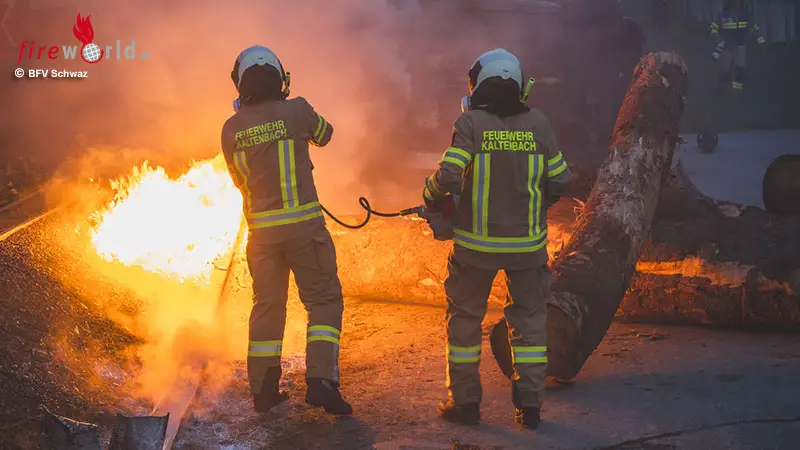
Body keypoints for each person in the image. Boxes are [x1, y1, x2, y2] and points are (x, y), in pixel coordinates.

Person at [422, 49, 572, 429]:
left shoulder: (470, 123)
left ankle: (466, 403)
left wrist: (430, 193)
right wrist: (538, 203)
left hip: (475, 249)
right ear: (520, 87)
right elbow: (561, 180)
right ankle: (530, 406)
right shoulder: (539, 124)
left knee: (465, 321)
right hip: (527, 248)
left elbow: (449, 175)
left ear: (477, 87)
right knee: (530, 323)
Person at [220, 45, 352, 416]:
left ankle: (263, 390)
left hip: (262, 238)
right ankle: (321, 381)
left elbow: (238, 179)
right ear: (281, 79)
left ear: (240, 84)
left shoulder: (231, 129)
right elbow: (325, 134)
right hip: (304, 231)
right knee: (323, 301)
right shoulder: (297, 111)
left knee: (268, 307)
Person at [710, 0, 766, 93]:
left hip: (740, 46)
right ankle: (722, 89)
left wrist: (760, 41)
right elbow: (714, 27)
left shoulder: (745, 15)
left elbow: (754, 28)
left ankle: (737, 91)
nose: (736, 2)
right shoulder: (724, 15)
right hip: (727, 46)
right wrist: (716, 36)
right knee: (725, 71)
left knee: (740, 69)